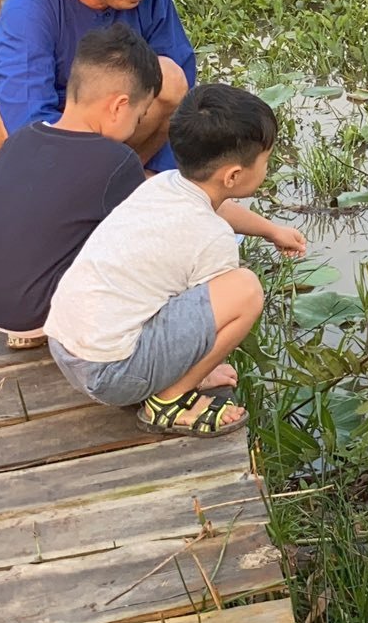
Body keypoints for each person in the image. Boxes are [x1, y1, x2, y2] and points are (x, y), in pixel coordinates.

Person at [0, 0, 303, 251]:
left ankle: (120, 192)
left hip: (116, 128)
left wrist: (171, 175)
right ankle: (58, 209)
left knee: (170, 77)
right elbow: (27, 116)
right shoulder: (32, 8)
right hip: (46, 138)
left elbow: (181, 84)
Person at [44, 85, 301, 436]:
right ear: (233, 176)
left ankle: (182, 375)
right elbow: (211, 318)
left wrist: (271, 230)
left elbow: (219, 206)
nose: (267, 167)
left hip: (66, 348)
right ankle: (170, 401)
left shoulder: (163, 184)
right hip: (111, 375)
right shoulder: (212, 238)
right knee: (245, 291)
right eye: (265, 160)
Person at [0, 23, 159, 351]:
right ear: (120, 105)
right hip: (35, 311)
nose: (138, 126)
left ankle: (25, 322)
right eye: (140, 115)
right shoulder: (117, 161)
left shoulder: (23, 136)